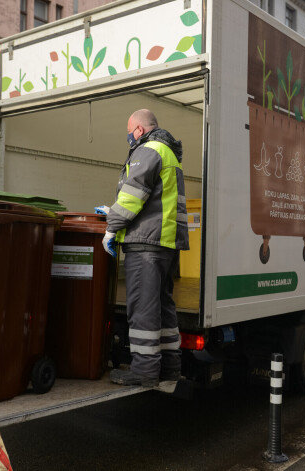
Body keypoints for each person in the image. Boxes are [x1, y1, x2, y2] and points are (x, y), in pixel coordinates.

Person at [102, 109, 189, 387]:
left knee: (143, 308)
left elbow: (132, 196)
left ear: (138, 130)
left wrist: (111, 226)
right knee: (163, 307)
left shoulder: (148, 150)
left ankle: (144, 371)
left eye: (130, 132)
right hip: (165, 244)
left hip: (146, 244)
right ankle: (169, 368)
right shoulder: (169, 153)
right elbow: (153, 198)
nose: (129, 137)